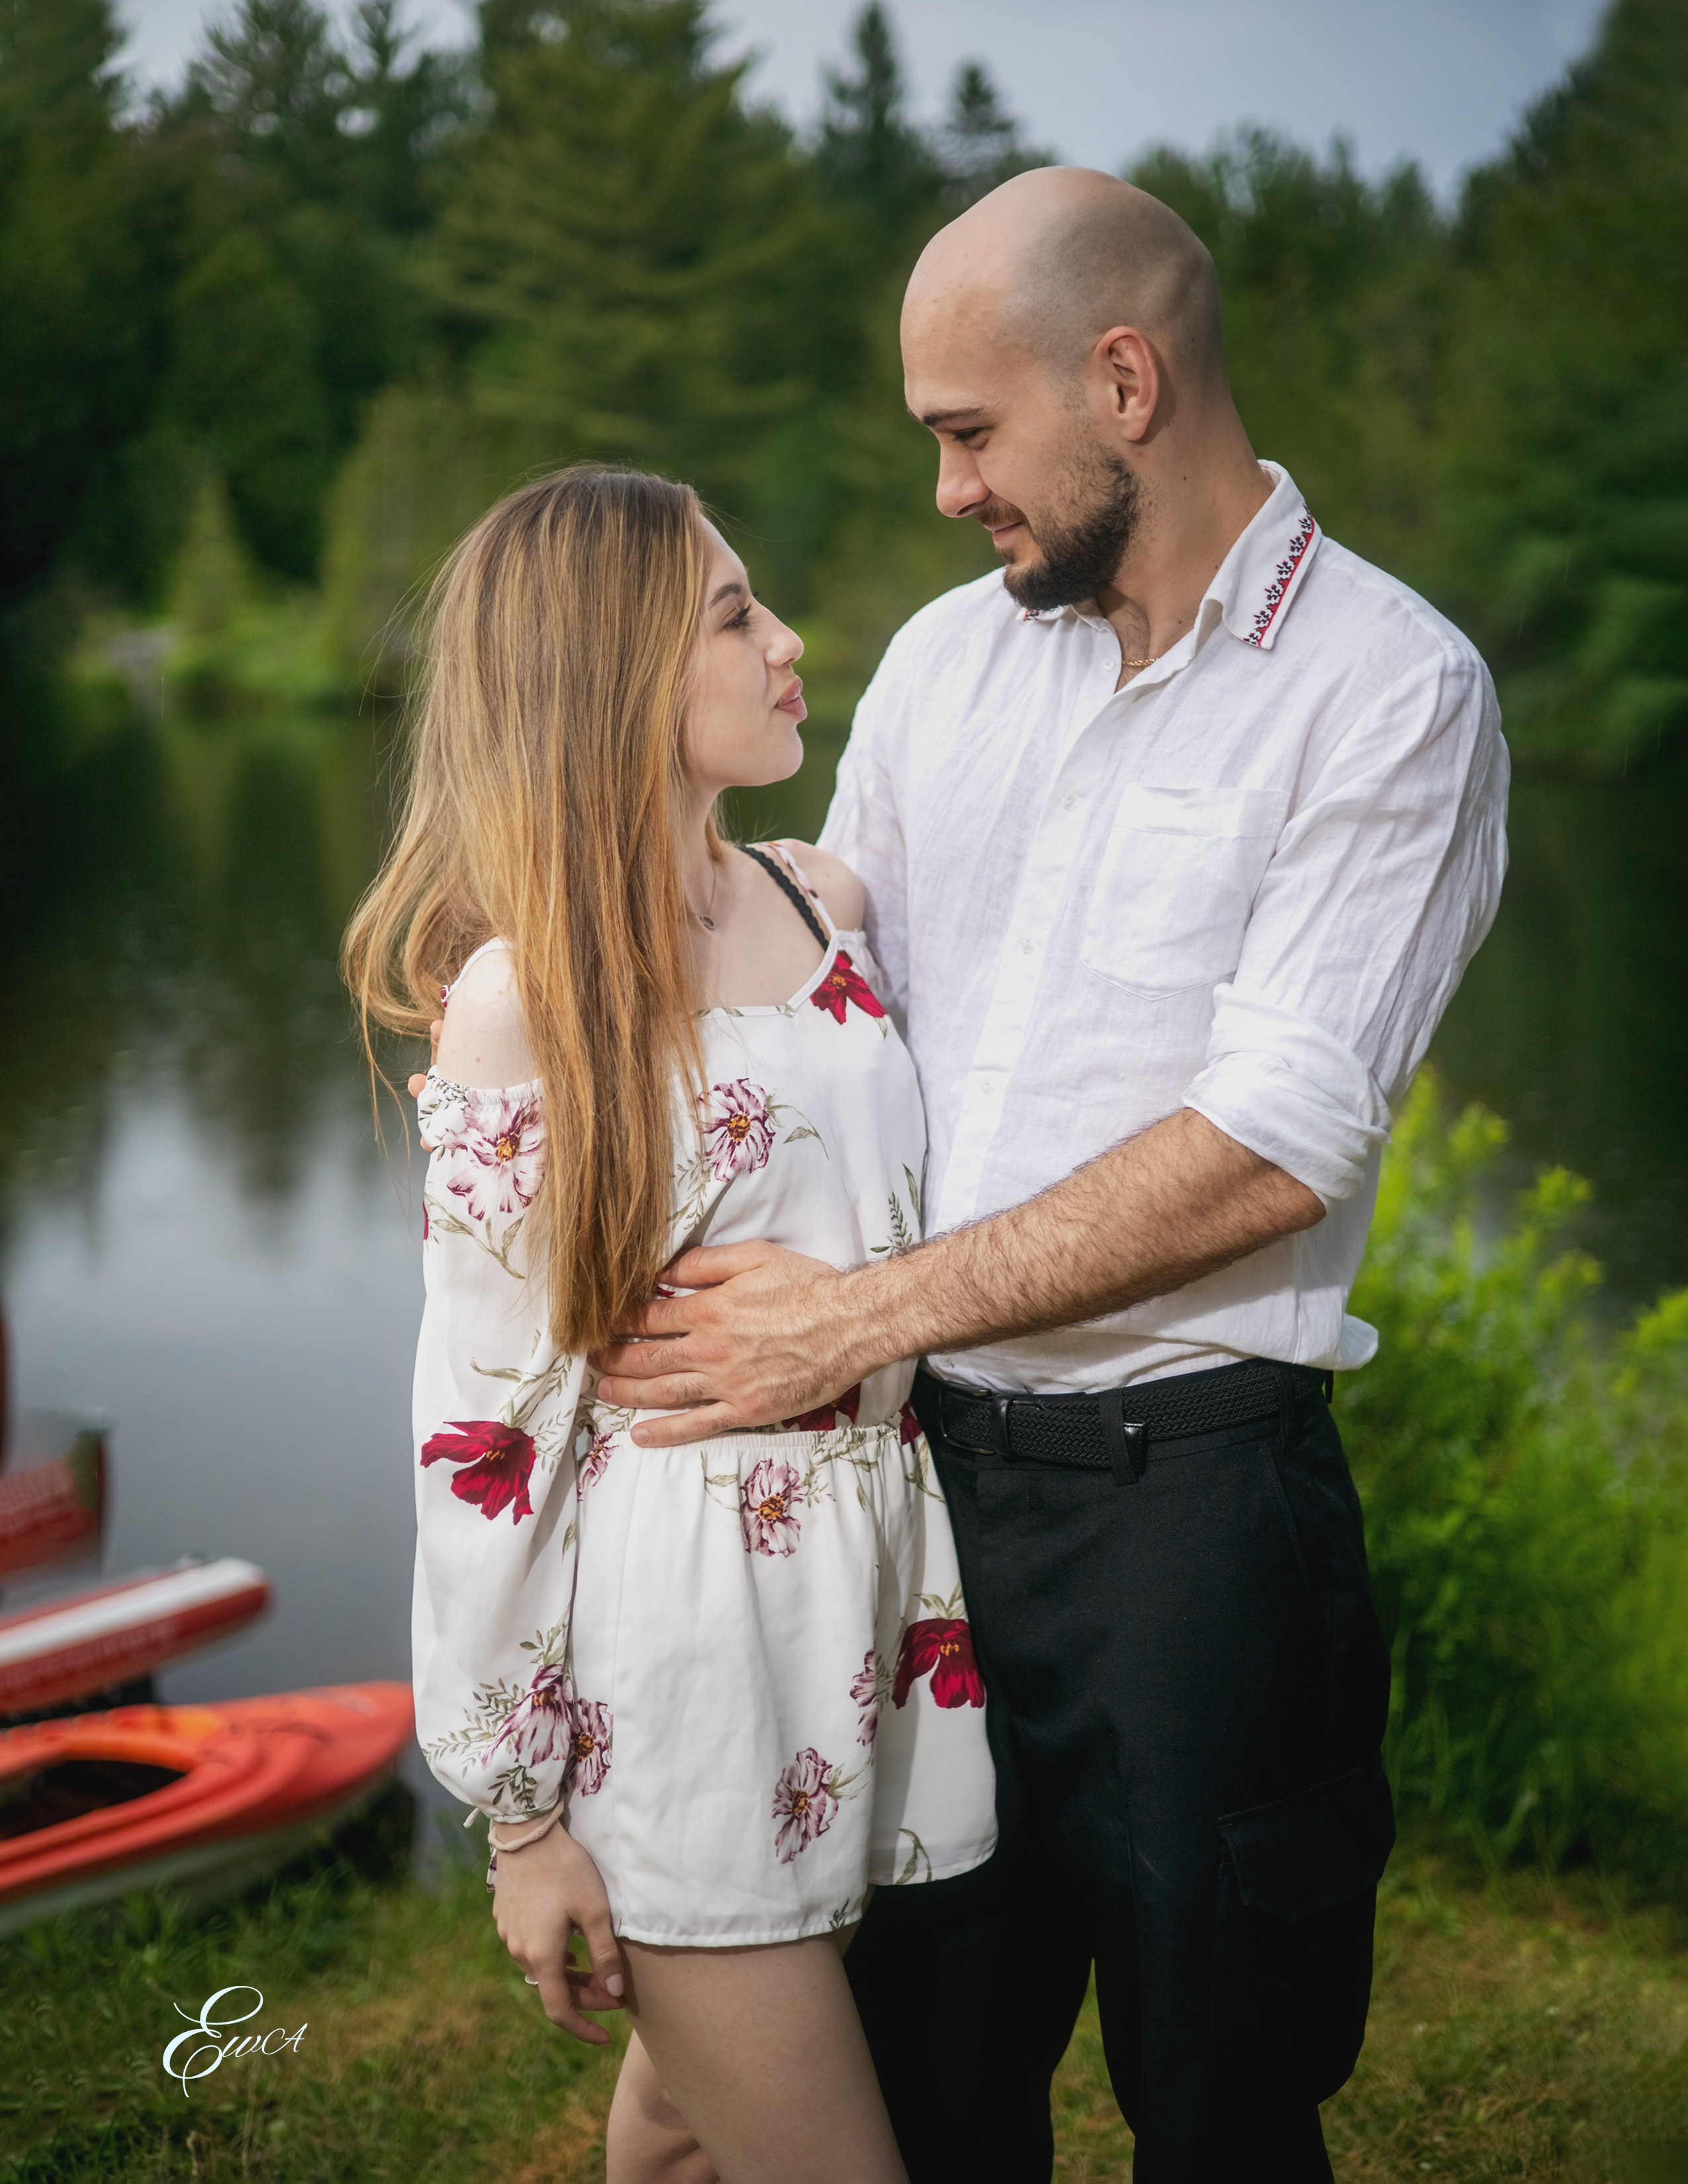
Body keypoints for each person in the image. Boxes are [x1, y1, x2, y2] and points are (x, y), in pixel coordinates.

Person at [586, 169, 1510, 2180]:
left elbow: (1273, 1149)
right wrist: (553, 946)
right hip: (913, 1503)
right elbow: (823, 977)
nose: (948, 492)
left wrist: (853, 1315)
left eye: (969, 434)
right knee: (925, 2092)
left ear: (1125, 383)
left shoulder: (1393, 688)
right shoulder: (948, 662)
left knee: (1225, 2106)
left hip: (1195, 1520)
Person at [342, 467, 996, 2184]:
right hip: (685, 1655)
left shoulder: (822, 901)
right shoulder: (526, 999)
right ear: (613, 671)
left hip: (873, 1598)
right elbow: (483, 1440)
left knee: (688, 2134)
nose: (788, 642)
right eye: (732, 615)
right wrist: (522, 1820)